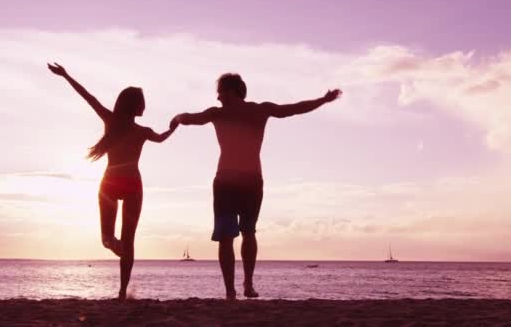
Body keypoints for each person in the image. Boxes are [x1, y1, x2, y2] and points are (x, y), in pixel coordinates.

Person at [173, 73, 341, 299]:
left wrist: (322, 100)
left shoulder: (254, 110)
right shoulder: (221, 113)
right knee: (229, 236)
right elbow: (191, 118)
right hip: (230, 181)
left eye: (220, 91)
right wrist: (178, 118)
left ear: (232, 91)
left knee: (246, 233)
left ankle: (245, 285)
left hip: (244, 182)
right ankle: (233, 289)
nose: (217, 96)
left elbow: (293, 109)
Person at [48, 62, 178, 300]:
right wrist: (173, 128)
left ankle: (120, 280)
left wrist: (66, 75)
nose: (145, 106)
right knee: (121, 241)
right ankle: (121, 283)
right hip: (128, 183)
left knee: (112, 240)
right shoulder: (136, 129)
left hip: (112, 182)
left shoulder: (116, 122)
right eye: (142, 102)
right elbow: (160, 138)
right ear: (135, 105)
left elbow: (89, 97)